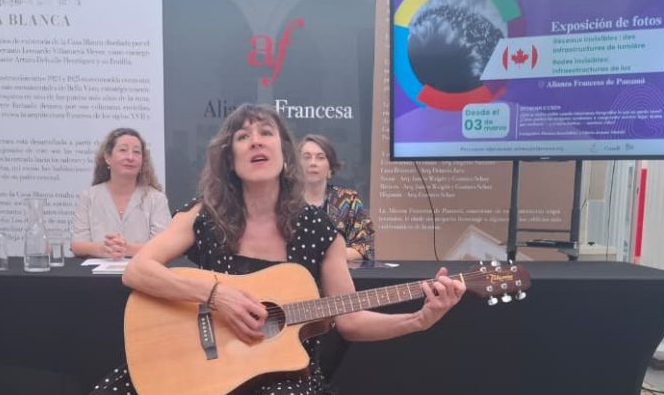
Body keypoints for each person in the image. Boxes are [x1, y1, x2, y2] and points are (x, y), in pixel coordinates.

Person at [90, 104, 463, 394]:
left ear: (284, 153)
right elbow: (138, 270)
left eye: (266, 133)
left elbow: (350, 321)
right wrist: (218, 295)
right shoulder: (204, 214)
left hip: (284, 377)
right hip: (197, 365)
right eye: (242, 137)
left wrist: (418, 320)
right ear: (230, 159)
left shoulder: (320, 231)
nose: (255, 141)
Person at [71, 128, 170, 259]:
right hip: (96, 276)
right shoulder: (89, 196)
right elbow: (77, 245)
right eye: (123, 150)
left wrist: (126, 249)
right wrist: (103, 249)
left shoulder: (156, 199)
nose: (130, 157)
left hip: (142, 274)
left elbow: (164, 246)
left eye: (136, 152)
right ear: (107, 157)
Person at [299, 134, 375, 262]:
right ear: (296, 166)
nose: (312, 163)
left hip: (338, 275)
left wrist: (325, 256)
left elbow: (365, 246)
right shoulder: (284, 200)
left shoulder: (348, 200)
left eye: (320, 157)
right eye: (306, 157)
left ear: (330, 168)